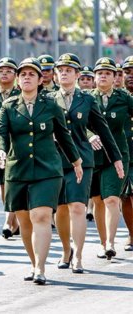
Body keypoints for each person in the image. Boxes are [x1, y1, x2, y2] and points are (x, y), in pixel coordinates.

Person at [0, 57, 82, 285]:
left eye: (32, 74)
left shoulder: (50, 105)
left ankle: (41, 268)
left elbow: (63, 135)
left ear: (41, 79)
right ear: (18, 80)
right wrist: (0, 151)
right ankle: (33, 263)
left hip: (47, 169)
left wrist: (76, 161)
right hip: (17, 169)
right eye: (23, 74)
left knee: (40, 215)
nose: (27, 77)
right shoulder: (9, 105)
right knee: (24, 220)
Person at [50, 53, 122, 274]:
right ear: (55, 75)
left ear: (78, 75)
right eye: (60, 70)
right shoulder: (48, 99)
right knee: (60, 209)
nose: (64, 73)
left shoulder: (87, 100)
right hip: (55, 160)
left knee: (78, 207)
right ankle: (65, 251)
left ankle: (78, 257)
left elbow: (103, 130)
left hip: (82, 159)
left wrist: (116, 157)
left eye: (69, 70)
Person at [89, 57, 133, 260]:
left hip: (117, 155)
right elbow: (77, 124)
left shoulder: (124, 98)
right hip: (93, 156)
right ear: (94, 77)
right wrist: (90, 136)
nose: (103, 76)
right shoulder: (86, 98)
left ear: (116, 77)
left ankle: (110, 243)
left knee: (112, 199)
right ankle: (102, 240)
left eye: (108, 73)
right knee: (97, 201)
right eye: (100, 73)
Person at [0, 57, 21, 239]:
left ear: (15, 75)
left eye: (9, 70)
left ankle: (9, 221)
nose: (4, 73)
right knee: (3, 184)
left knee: (13, 182)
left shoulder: (21, 93)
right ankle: (13, 219)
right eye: (1, 70)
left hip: (17, 145)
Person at [120, 55, 133, 252]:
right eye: (127, 72)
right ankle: (131, 233)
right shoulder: (118, 97)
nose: (130, 76)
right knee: (124, 196)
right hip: (122, 153)